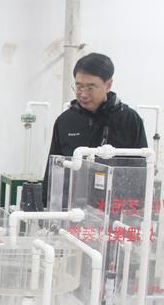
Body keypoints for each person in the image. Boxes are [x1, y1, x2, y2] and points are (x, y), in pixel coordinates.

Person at [42, 53, 148, 206]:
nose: (83, 94)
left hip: (115, 210)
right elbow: (53, 171)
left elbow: (140, 173)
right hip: (72, 210)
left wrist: (136, 211)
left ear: (108, 85)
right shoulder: (65, 121)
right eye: (79, 87)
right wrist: (46, 207)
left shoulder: (129, 120)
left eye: (90, 88)